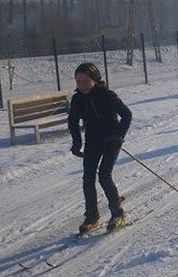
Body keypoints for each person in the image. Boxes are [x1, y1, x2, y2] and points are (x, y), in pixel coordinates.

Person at [68, 63, 132, 234]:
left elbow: (126, 114)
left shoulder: (107, 95)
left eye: (85, 80)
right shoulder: (77, 99)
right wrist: (76, 143)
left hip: (111, 139)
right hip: (93, 141)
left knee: (104, 175)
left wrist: (119, 136)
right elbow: (73, 121)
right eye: (78, 80)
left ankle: (118, 214)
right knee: (88, 177)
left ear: (94, 79)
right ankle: (92, 216)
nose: (81, 84)